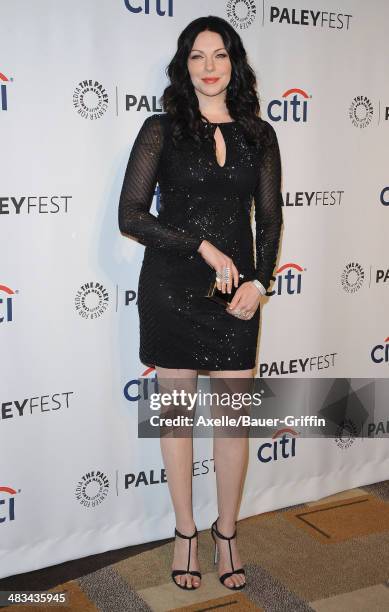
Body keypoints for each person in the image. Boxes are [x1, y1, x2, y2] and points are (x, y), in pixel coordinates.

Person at [118, 15, 283, 591]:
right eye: (197, 56)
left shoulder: (259, 135)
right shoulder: (160, 130)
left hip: (235, 295)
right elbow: (131, 217)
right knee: (177, 417)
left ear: (234, 63)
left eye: (219, 55)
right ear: (183, 65)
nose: (209, 67)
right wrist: (202, 246)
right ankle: (186, 531)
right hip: (170, 289)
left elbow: (271, 219)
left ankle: (227, 530)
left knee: (234, 421)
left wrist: (259, 282)